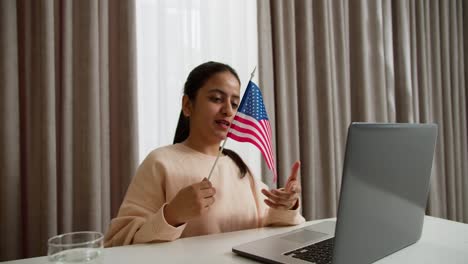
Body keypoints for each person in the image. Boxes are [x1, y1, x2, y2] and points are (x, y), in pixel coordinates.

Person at [104, 61, 305, 247]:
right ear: (187, 105)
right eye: (217, 99)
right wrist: (172, 215)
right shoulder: (160, 162)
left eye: (235, 104)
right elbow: (118, 242)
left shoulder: (239, 166)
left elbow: (268, 226)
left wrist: (285, 206)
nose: (228, 110)